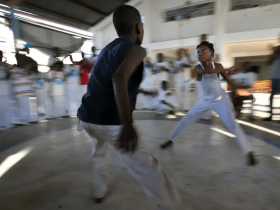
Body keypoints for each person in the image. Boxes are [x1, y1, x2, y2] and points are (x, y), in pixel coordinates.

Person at [77, 5, 180, 210]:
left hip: (87, 117)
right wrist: (127, 124)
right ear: (137, 27)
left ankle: (99, 191)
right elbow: (119, 78)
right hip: (109, 120)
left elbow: (109, 81)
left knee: (99, 153)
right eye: (142, 25)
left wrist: (140, 92)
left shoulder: (108, 49)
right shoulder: (136, 49)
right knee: (147, 168)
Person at [160, 41, 257, 166]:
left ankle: (248, 152)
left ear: (211, 54)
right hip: (205, 101)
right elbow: (206, 71)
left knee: (233, 124)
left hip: (221, 100)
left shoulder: (218, 66)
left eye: (204, 51)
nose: (201, 53)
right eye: (199, 51)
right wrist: (226, 69)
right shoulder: (198, 68)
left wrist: (241, 90)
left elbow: (229, 81)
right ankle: (170, 139)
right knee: (188, 117)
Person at [191, 34, 212, 120]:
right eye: (201, 39)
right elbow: (192, 61)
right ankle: (199, 114)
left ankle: (207, 115)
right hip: (199, 75)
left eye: (204, 39)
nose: (202, 40)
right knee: (198, 95)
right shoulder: (196, 51)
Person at [263, 42, 280, 121]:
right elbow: (268, 62)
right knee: (271, 96)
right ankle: (270, 115)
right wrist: (273, 53)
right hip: (274, 77)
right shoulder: (276, 50)